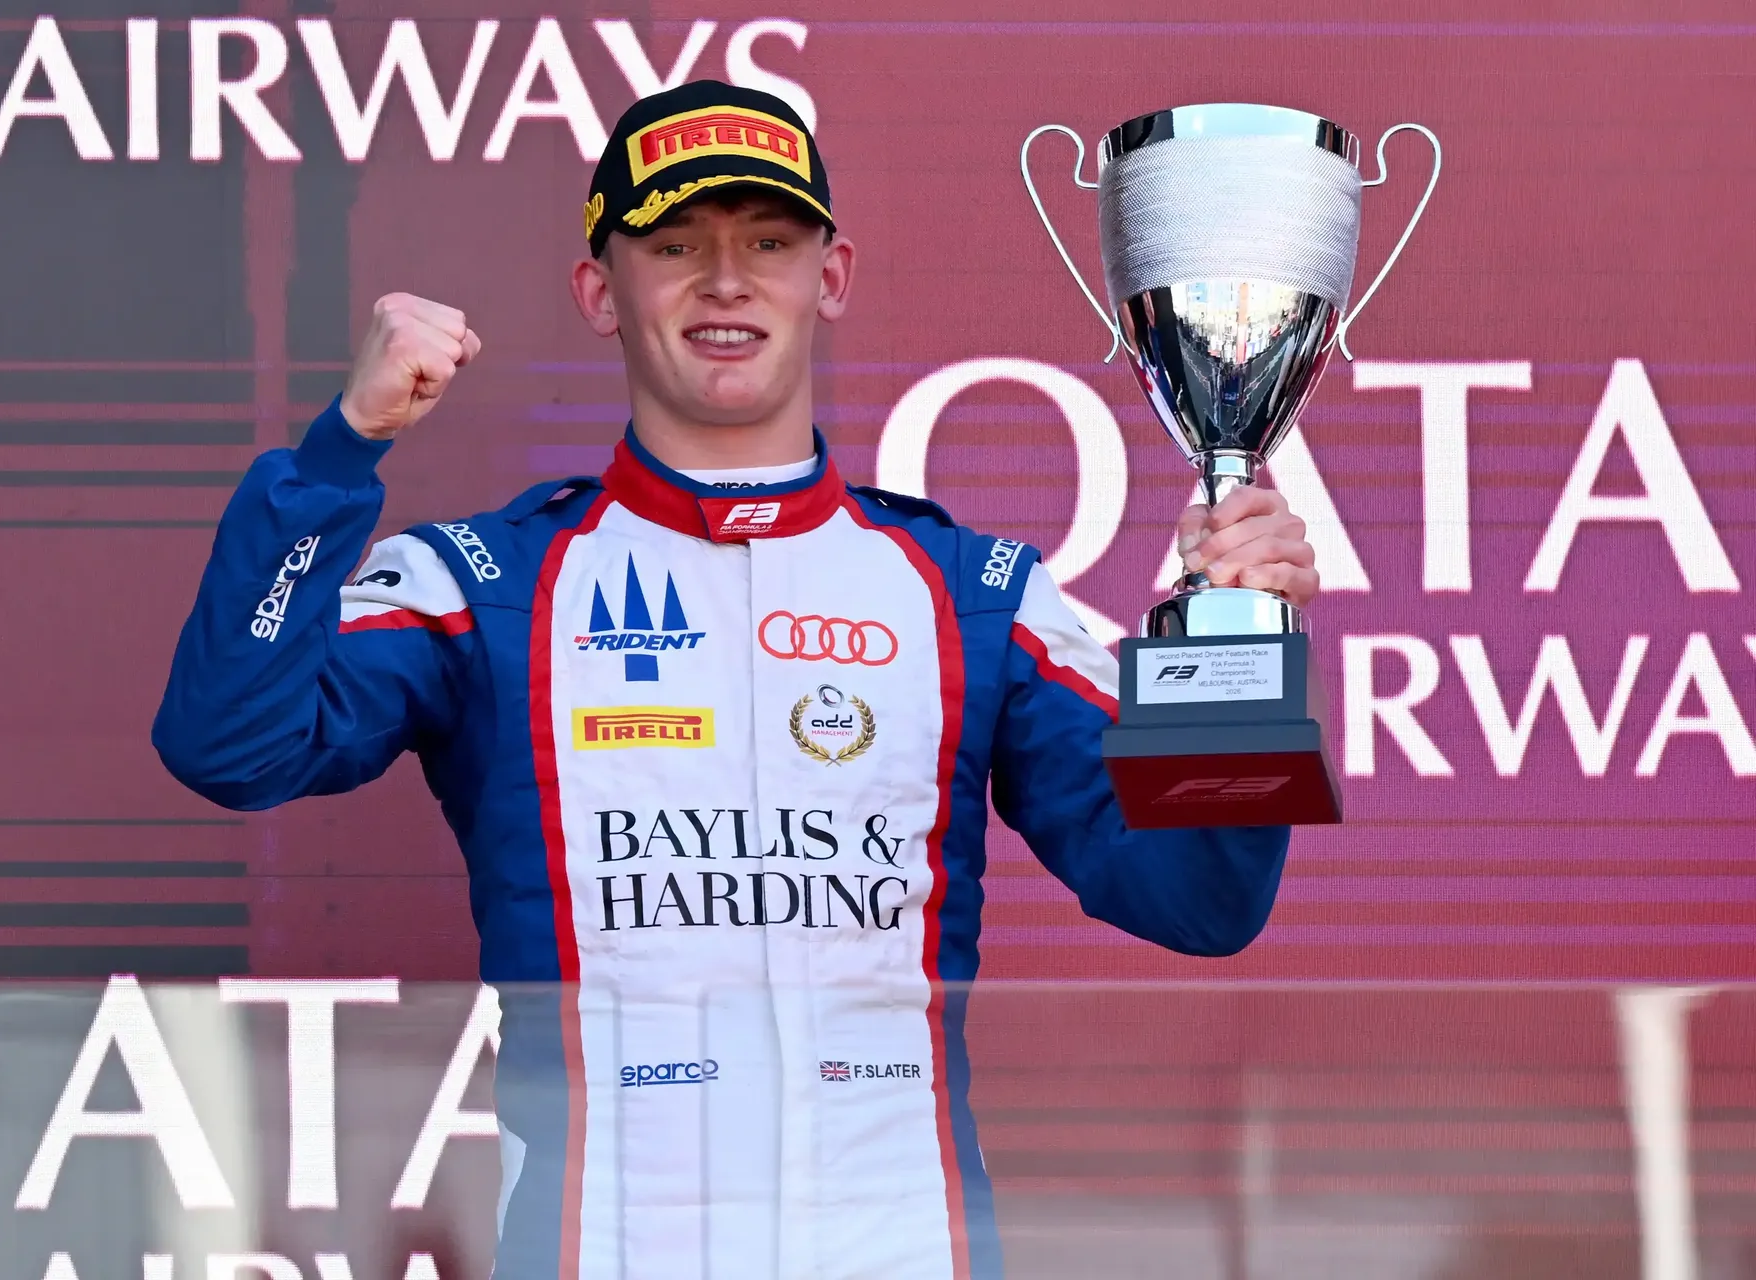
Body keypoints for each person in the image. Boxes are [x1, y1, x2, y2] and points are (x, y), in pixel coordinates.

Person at [154, 80, 1318, 1280]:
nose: (726, 279)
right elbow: (231, 743)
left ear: (833, 275)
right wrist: (344, 447)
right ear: (600, 292)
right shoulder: (488, 583)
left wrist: (1241, 645)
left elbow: (1199, 900)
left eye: (769, 240)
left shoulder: (972, 593)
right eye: (675, 245)